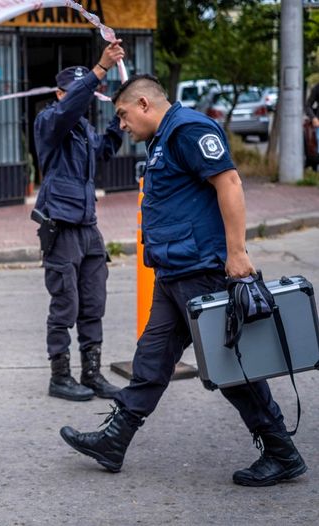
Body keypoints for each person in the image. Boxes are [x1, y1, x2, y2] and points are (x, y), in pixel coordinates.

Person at [60, 74, 306, 486]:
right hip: (174, 273)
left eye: (122, 115)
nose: (121, 125)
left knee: (231, 368)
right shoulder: (163, 138)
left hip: (202, 272)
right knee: (152, 360)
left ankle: (281, 451)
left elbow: (228, 182)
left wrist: (238, 253)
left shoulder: (190, 129)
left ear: (143, 104)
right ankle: (114, 441)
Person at [33, 41, 126, 401]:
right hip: (61, 227)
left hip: (88, 228)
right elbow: (72, 106)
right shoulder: (50, 122)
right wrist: (99, 69)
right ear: (59, 93)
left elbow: (102, 151)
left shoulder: (84, 130)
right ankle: (60, 376)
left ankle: (92, 374)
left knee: (93, 302)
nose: (79, 96)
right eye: (71, 92)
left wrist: (119, 125)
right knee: (65, 304)